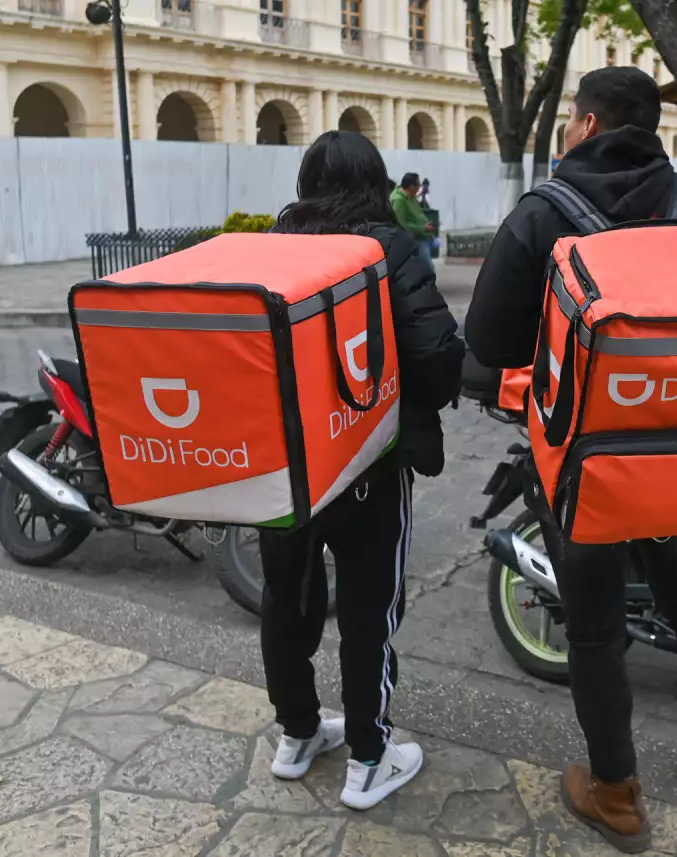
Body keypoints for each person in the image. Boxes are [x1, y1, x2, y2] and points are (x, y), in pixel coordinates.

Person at [465, 66, 677, 854]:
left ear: (587, 126)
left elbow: (486, 347)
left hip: (588, 461)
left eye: (568, 121)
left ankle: (617, 794)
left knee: (592, 629)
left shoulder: (544, 214)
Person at [261, 132, 463, 810]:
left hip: (286, 469)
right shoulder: (385, 247)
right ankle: (369, 757)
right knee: (368, 610)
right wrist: (415, 406)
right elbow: (436, 346)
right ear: (376, 180)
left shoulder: (274, 246)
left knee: (287, 601)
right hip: (368, 461)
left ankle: (295, 734)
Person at [390, 173, 437, 264]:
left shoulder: (412, 196)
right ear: (411, 186)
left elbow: (418, 214)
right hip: (414, 238)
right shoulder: (399, 200)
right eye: (418, 185)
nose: (420, 187)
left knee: (425, 264)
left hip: (423, 235)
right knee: (427, 266)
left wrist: (427, 224)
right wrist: (422, 228)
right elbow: (401, 224)